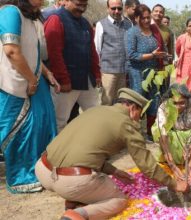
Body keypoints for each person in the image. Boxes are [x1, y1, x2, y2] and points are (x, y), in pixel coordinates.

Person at [35, 88, 189, 220]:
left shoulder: (96, 110)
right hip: (70, 181)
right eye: (139, 115)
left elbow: (85, 151)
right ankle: (77, 215)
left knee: (81, 180)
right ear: (133, 108)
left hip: (43, 169)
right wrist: (174, 184)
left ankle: (75, 199)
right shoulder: (125, 123)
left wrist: (114, 171)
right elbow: (146, 164)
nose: (137, 120)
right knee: (119, 200)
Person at [0, 0, 60, 193]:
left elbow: (31, 54)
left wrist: (47, 74)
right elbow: (11, 51)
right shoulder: (10, 12)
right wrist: (31, 81)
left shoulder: (30, 17)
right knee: (21, 130)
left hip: (33, 81)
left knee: (41, 125)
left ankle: (40, 171)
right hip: (16, 84)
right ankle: (20, 178)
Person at [45, 0, 101, 132]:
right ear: (67, 2)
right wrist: (63, 79)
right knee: (59, 121)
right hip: (65, 83)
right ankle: (55, 151)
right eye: (78, 4)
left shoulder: (85, 23)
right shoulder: (56, 19)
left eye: (84, 5)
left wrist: (96, 73)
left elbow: (91, 50)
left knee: (96, 116)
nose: (81, 8)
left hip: (86, 80)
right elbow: (54, 53)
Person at [152, 84, 191, 184]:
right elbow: (162, 133)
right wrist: (172, 166)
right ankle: (174, 161)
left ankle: (189, 163)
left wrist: (190, 165)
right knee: (157, 130)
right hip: (172, 141)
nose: (178, 107)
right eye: (174, 103)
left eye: (182, 103)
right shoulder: (163, 107)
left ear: (187, 100)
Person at [127, 4, 166, 140]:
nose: (147, 21)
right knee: (137, 101)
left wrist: (162, 56)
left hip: (154, 71)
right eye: (143, 18)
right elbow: (131, 55)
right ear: (137, 18)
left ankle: (150, 133)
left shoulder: (154, 30)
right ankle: (134, 134)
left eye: (148, 18)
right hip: (137, 71)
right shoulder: (132, 33)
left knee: (154, 100)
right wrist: (152, 55)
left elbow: (162, 48)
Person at [95, 0, 132, 105]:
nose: (116, 11)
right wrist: (98, 71)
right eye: (113, 8)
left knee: (121, 102)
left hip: (124, 71)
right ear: (108, 9)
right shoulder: (101, 24)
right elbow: (97, 49)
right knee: (107, 101)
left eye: (119, 8)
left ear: (123, 8)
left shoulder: (129, 24)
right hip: (108, 72)